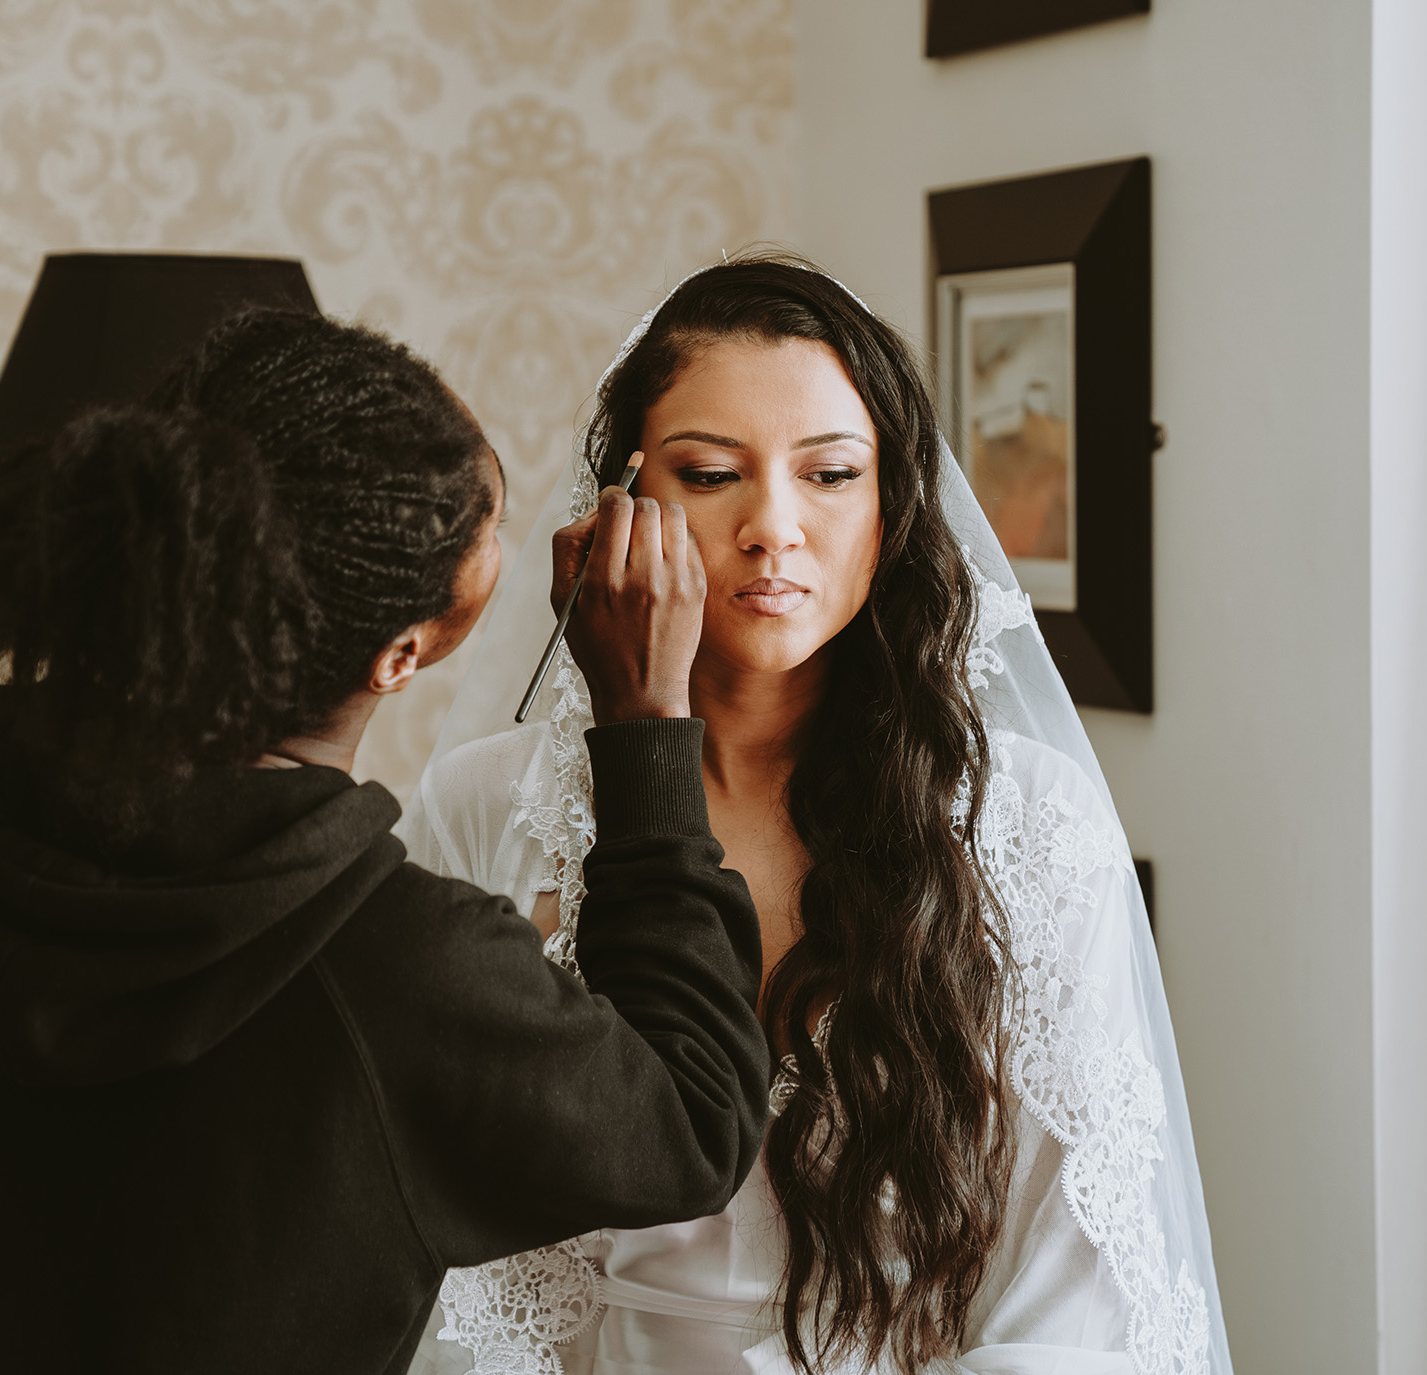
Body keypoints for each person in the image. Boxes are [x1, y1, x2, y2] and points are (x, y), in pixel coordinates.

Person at [0, 309, 775, 1373]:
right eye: (492, 525)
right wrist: (647, 729)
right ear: (399, 653)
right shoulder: (404, 966)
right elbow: (690, 1117)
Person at [400, 257, 1232, 1375]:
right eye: (707, 474)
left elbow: (1080, 1290)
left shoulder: (1023, 821)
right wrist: (635, 719)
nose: (772, 529)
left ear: (893, 503)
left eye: (830, 473)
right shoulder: (488, 809)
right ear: (618, 512)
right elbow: (437, 1247)